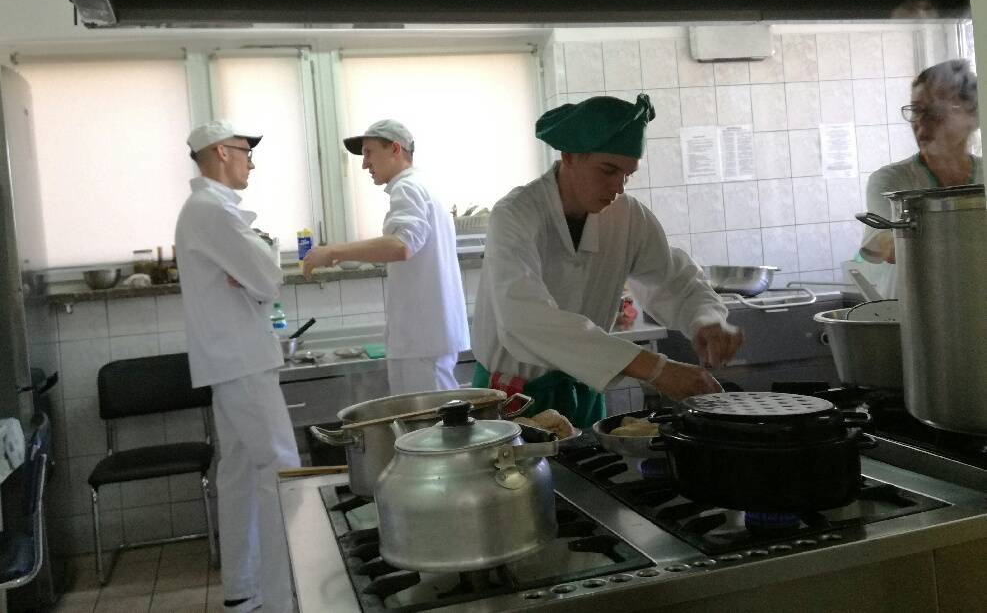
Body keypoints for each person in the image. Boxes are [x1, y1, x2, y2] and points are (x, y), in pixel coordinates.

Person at [470, 94, 743, 429]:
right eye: (608, 170)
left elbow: (675, 280)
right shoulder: (515, 214)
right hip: (510, 401)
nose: (619, 187)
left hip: (582, 397)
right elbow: (524, 318)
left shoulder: (628, 217)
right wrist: (656, 369)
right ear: (569, 156)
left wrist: (706, 320)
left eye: (628, 174)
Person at [176, 120, 300, 613]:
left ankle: (244, 590)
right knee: (281, 469)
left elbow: (256, 277)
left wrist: (252, 271)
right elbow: (268, 279)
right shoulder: (212, 210)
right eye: (246, 152)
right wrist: (261, 263)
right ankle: (281, 597)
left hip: (230, 360)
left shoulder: (208, 210)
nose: (251, 162)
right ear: (222, 152)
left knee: (242, 474)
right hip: (242, 359)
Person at [302, 119, 469, 394]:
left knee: (430, 418)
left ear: (395, 149)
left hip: (422, 340)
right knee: (426, 417)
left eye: (369, 153)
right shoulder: (420, 186)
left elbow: (402, 245)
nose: (364, 164)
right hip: (425, 337)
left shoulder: (408, 187)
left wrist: (333, 251)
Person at [860, 59, 982, 298]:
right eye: (916, 111)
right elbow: (889, 246)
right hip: (913, 311)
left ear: (972, 118)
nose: (921, 123)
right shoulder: (892, 180)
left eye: (936, 111)